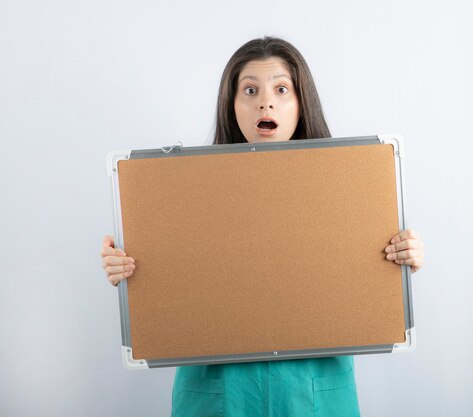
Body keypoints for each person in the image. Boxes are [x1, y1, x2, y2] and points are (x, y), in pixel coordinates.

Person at [101, 36, 425, 417]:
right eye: (250, 89)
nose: (265, 102)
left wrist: (400, 259)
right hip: (216, 395)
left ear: (302, 103)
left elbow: (362, 288)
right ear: (232, 105)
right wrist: (127, 267)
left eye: (282, 89)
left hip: (313, 395)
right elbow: (168, 287)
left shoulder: (350, 188)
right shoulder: (181, 192)